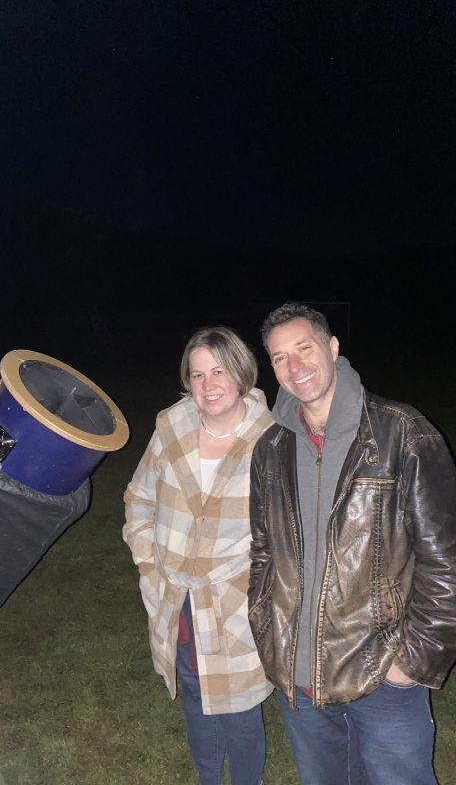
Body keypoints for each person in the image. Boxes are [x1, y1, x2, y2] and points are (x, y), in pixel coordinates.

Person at [248, 302, 456, 785]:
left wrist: (412, 662)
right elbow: (262, 552)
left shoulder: (401, 433)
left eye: (304, 348)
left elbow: (445, 563)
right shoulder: (271, 449)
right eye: (280, 357)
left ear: (333, 347)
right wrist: (267, 628)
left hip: (383, 673)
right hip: (299, 676)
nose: (294, 366)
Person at [123, 326, 274, 785]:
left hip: (236, 603)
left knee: (240, 709)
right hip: (176, 597)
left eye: (219, 371)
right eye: (198, 374)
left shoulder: (271, 439)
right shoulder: (171, 428)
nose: (208, 385)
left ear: (241, 373)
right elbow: (140, 497)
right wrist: (149, 563)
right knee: (193, 692)